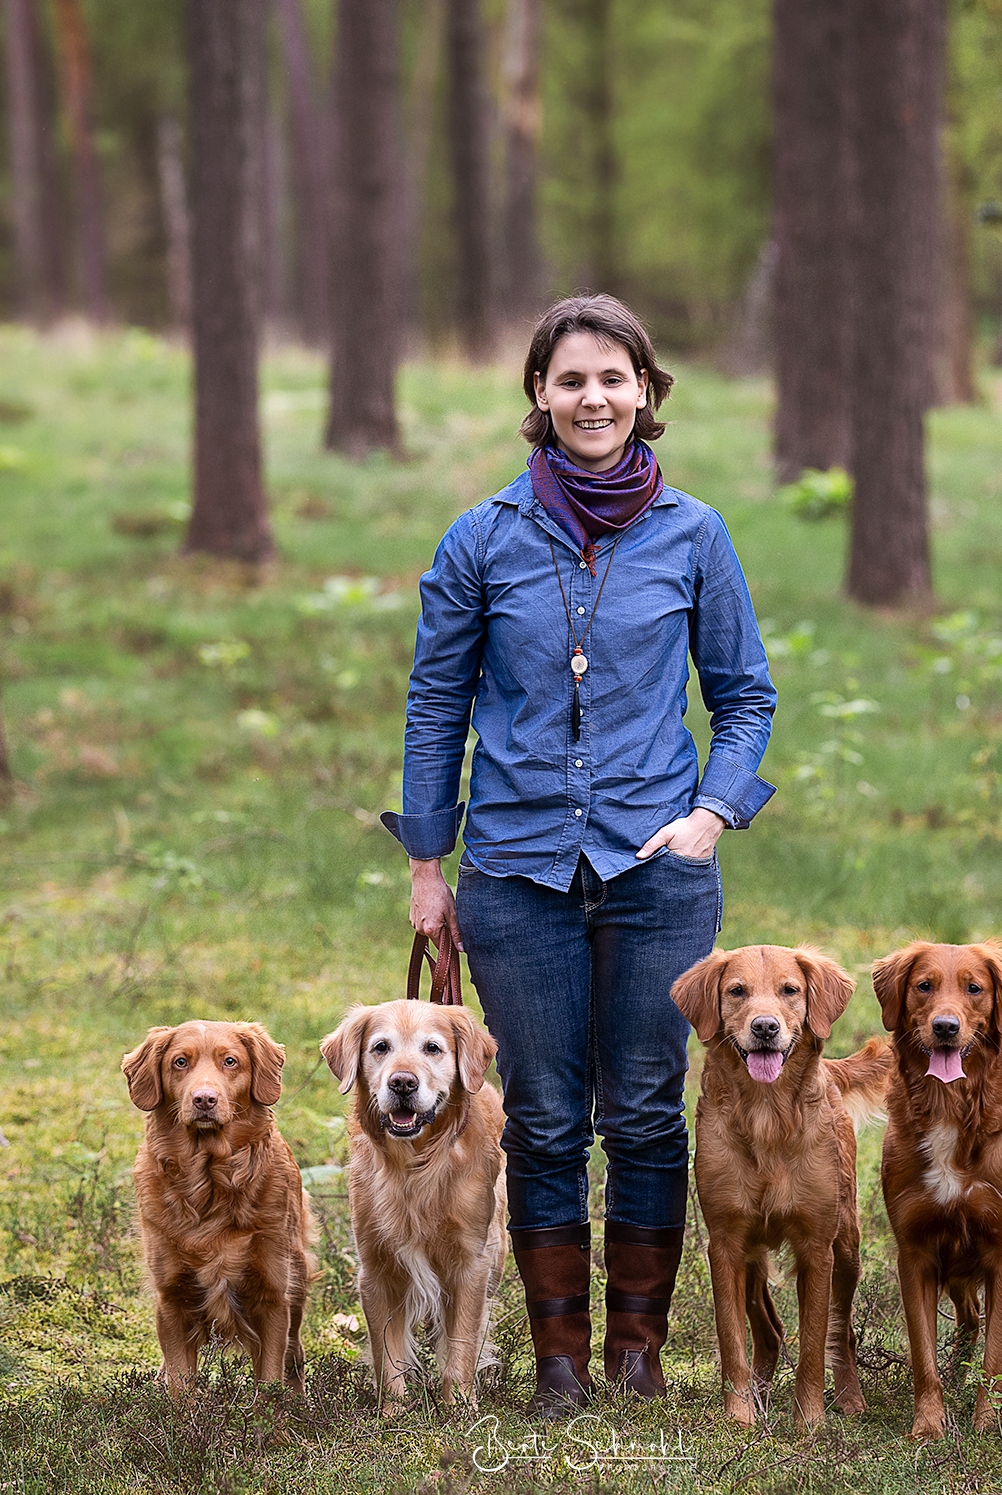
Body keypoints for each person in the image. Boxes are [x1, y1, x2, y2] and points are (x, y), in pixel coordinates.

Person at [382, 294, 777, 1416]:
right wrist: (427, 864)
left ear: (645, 395)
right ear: (538, 399)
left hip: (660, 872)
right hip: (514, 872)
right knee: (545, 1111)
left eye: (613, 378)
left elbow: (744, 696)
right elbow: (433, 705)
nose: (592, 398)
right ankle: (558, 1358)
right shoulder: (482, 537)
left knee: (647, 1108)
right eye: (569, 380)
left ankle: (639, 1351)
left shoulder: (694, 534)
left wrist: (713, 811)